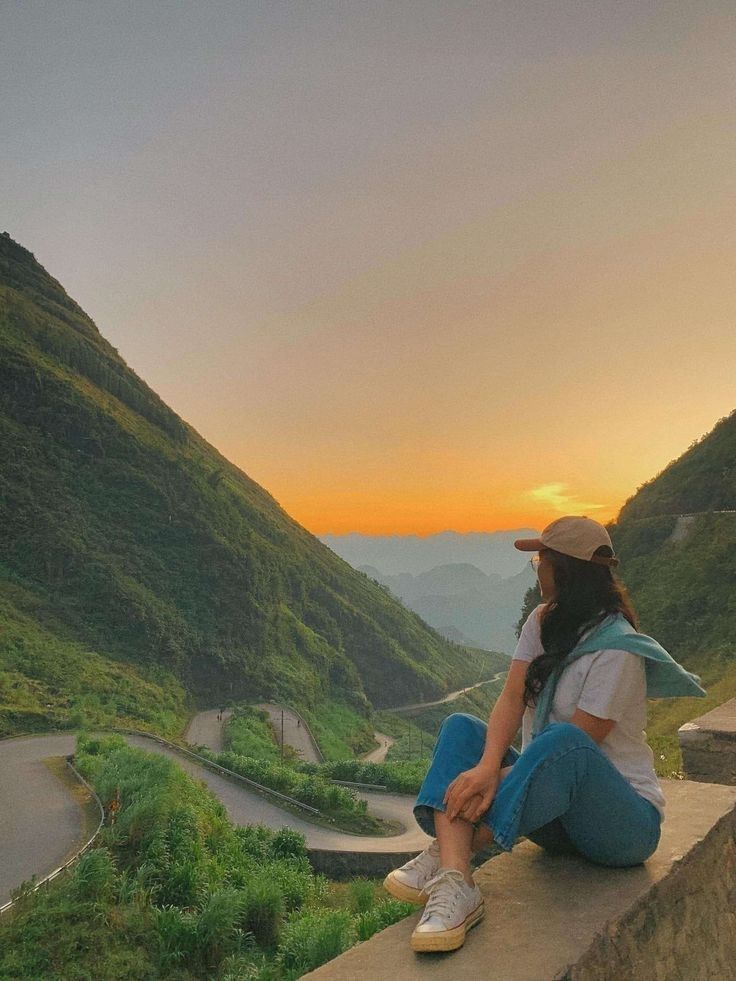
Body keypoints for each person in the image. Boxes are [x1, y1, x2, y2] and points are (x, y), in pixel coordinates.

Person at [383, 515, 706, 954]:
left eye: (542, 560)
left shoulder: (618, 650)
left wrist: (497, 776)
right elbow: (513, 697)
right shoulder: (542, 621)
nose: (537, 567)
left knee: (560, 740)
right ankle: (458, 881)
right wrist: (485, 764)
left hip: (620, 825)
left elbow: (575, 748)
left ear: (566, 570)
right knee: (461, 728)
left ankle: (447, 852)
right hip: (552, 817)